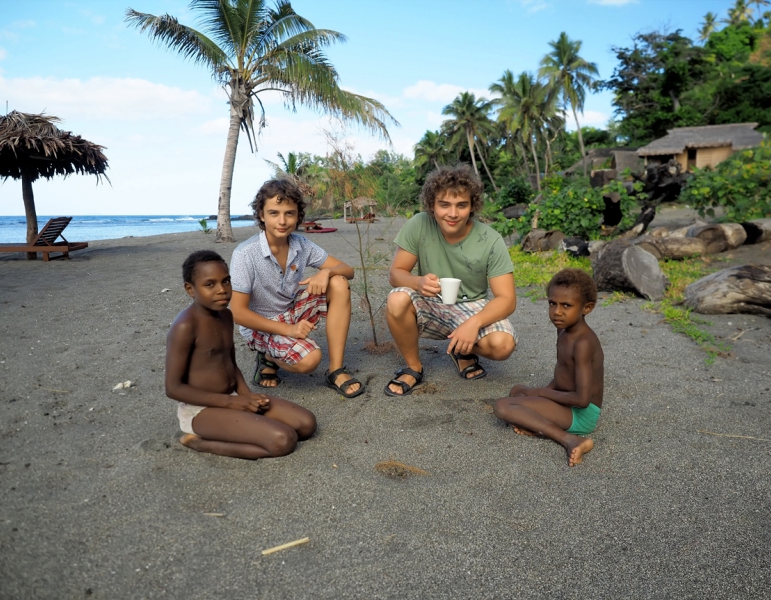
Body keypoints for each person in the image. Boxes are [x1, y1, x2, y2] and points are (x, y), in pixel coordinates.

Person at [165, 250, 316, 459]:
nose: (222, 290)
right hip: (201, 410)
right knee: (283, 440)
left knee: (306, 425)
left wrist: (246, 395)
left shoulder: (226, 315)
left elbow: (229, 363)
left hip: (234, 398)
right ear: (190, 289)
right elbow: (173, 388)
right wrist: (232, 403)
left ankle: (245, 425)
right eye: (210, 284)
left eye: (226, 281)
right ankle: (199, 442)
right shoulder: (185, 326)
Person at [384, 164, 517, 396]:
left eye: (461, 205)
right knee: (396, 300)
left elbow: (507, 299)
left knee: (503, 346)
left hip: (473, 305)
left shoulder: (491, 239)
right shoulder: (419, 224)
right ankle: (413, 366)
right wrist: (418, 282)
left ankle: (462, 351)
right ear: (431, 205)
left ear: (472, 206)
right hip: (431, 300)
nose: (453, 214)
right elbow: (396, 274)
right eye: (444, 204)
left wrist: (473, 323)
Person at [229, 179, 365, 398]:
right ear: (262, 215)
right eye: (274, 213)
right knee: (310, 360)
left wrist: (326, 272)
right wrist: (288, 331)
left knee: (339, 282)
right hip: (261, 325)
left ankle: (336, 370)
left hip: (291, 310)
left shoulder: (301, 244)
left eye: (289, 213)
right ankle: (267, 356)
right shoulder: (245, 254)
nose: (282, 221)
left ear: (298, 216)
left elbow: (348, 270)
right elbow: (237, 312)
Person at [493, 268, 604, 467]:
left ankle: (571, 440)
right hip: (566, 401)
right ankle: (537, 425)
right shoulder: (563, 330)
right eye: (552, 303)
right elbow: (563, 372)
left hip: (582, 414)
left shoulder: (583, 343)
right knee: (517, 391)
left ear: (587, 308)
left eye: (566, 305)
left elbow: (582, 399)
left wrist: (541, 393)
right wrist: (540, 393)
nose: (557, 311)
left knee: (503, 406)